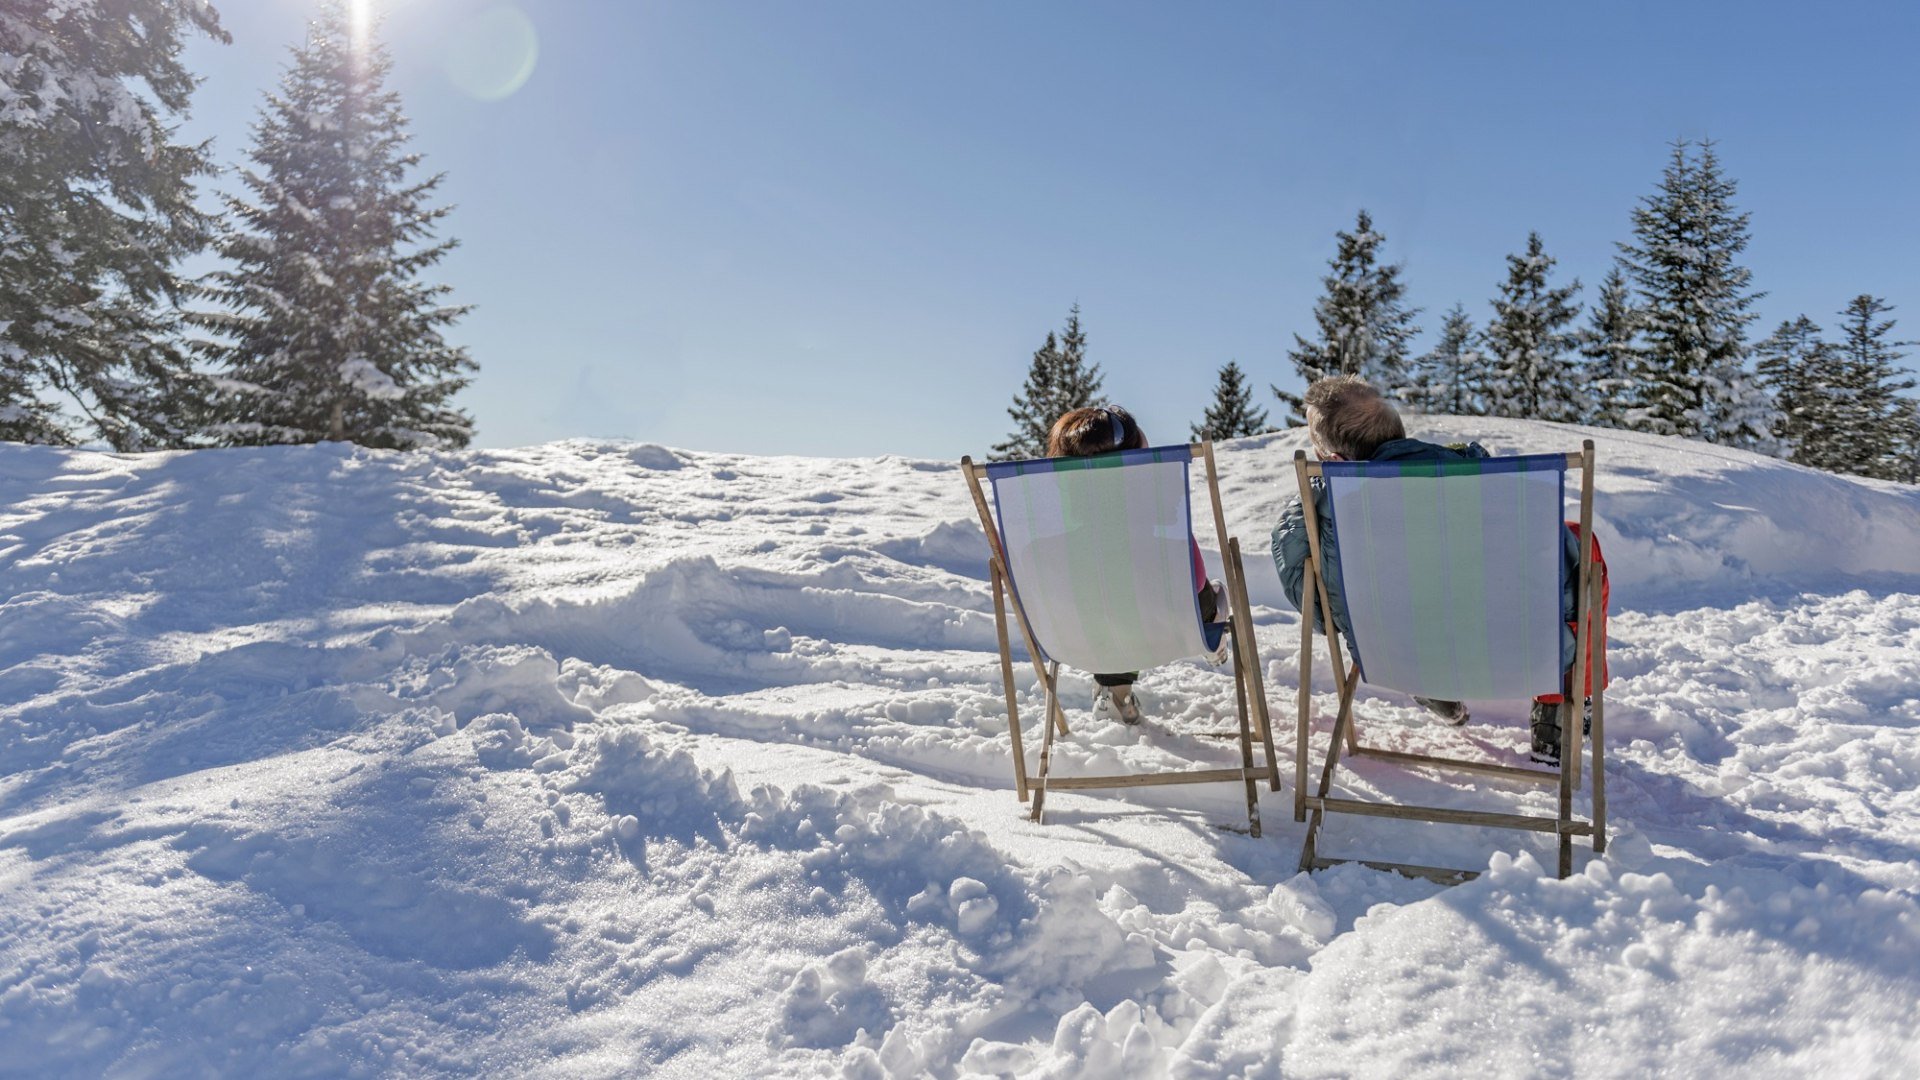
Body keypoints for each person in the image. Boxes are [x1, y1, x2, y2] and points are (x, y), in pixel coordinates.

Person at [1269, 375, 1608, 763]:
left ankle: (1429, 676)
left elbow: (1319, 615)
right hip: (1506, 651)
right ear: (1398, 433)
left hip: (1393, 654)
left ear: (1333, 461)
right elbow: (1549, 578)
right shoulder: (1483, 483)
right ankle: (1558, 712)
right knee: (1582, 545)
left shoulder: (1310, 524)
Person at [1046, 405, 1229, 726]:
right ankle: (1211, 637)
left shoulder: (1051, 549)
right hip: (1172, 631)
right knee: (1208, 592)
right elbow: (1195, 580)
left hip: (1083, 638)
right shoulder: (1166, 543)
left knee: (1106, 610)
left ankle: (1115, 695)